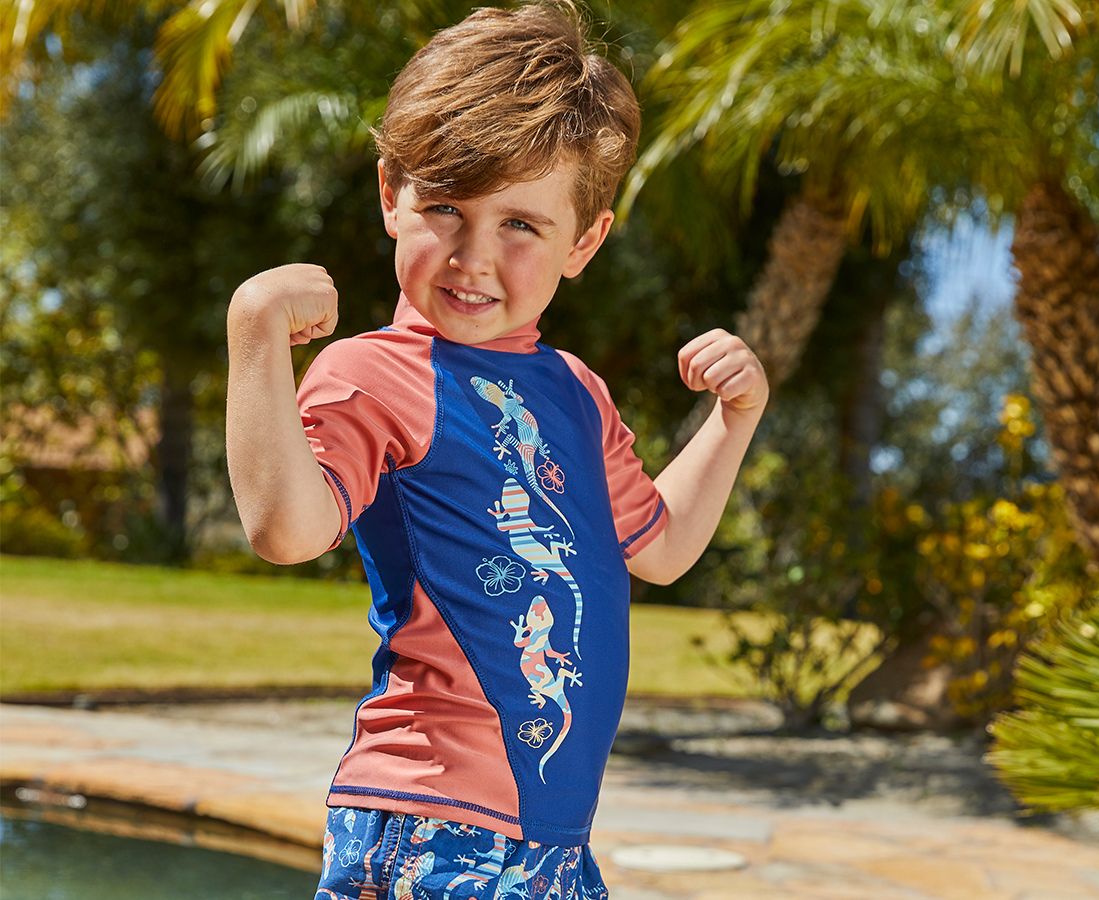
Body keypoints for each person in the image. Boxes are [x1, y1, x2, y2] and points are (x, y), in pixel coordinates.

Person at [225, 3, 768, 897]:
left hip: (554, 841)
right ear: (390, 194)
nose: (476, 257)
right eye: (446, 208)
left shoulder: (574, 391)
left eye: (521, 224)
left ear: (585, 240)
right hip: (431, 825)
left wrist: (732, 421)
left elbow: (660, 548)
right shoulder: (371, 371)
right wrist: (255, 336)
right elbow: (286, 529)